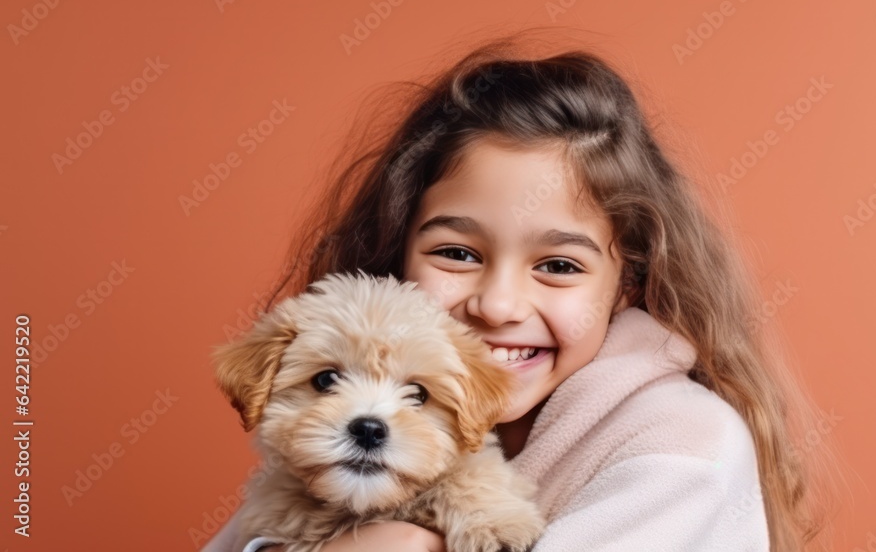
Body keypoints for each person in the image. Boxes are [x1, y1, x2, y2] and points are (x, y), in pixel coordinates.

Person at [202, 30, 842, 552]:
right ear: (395, 250)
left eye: (559, 266)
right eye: (457, 253)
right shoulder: (352, 441)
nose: (499, 305)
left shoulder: (679, 450)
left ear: (630, 284)